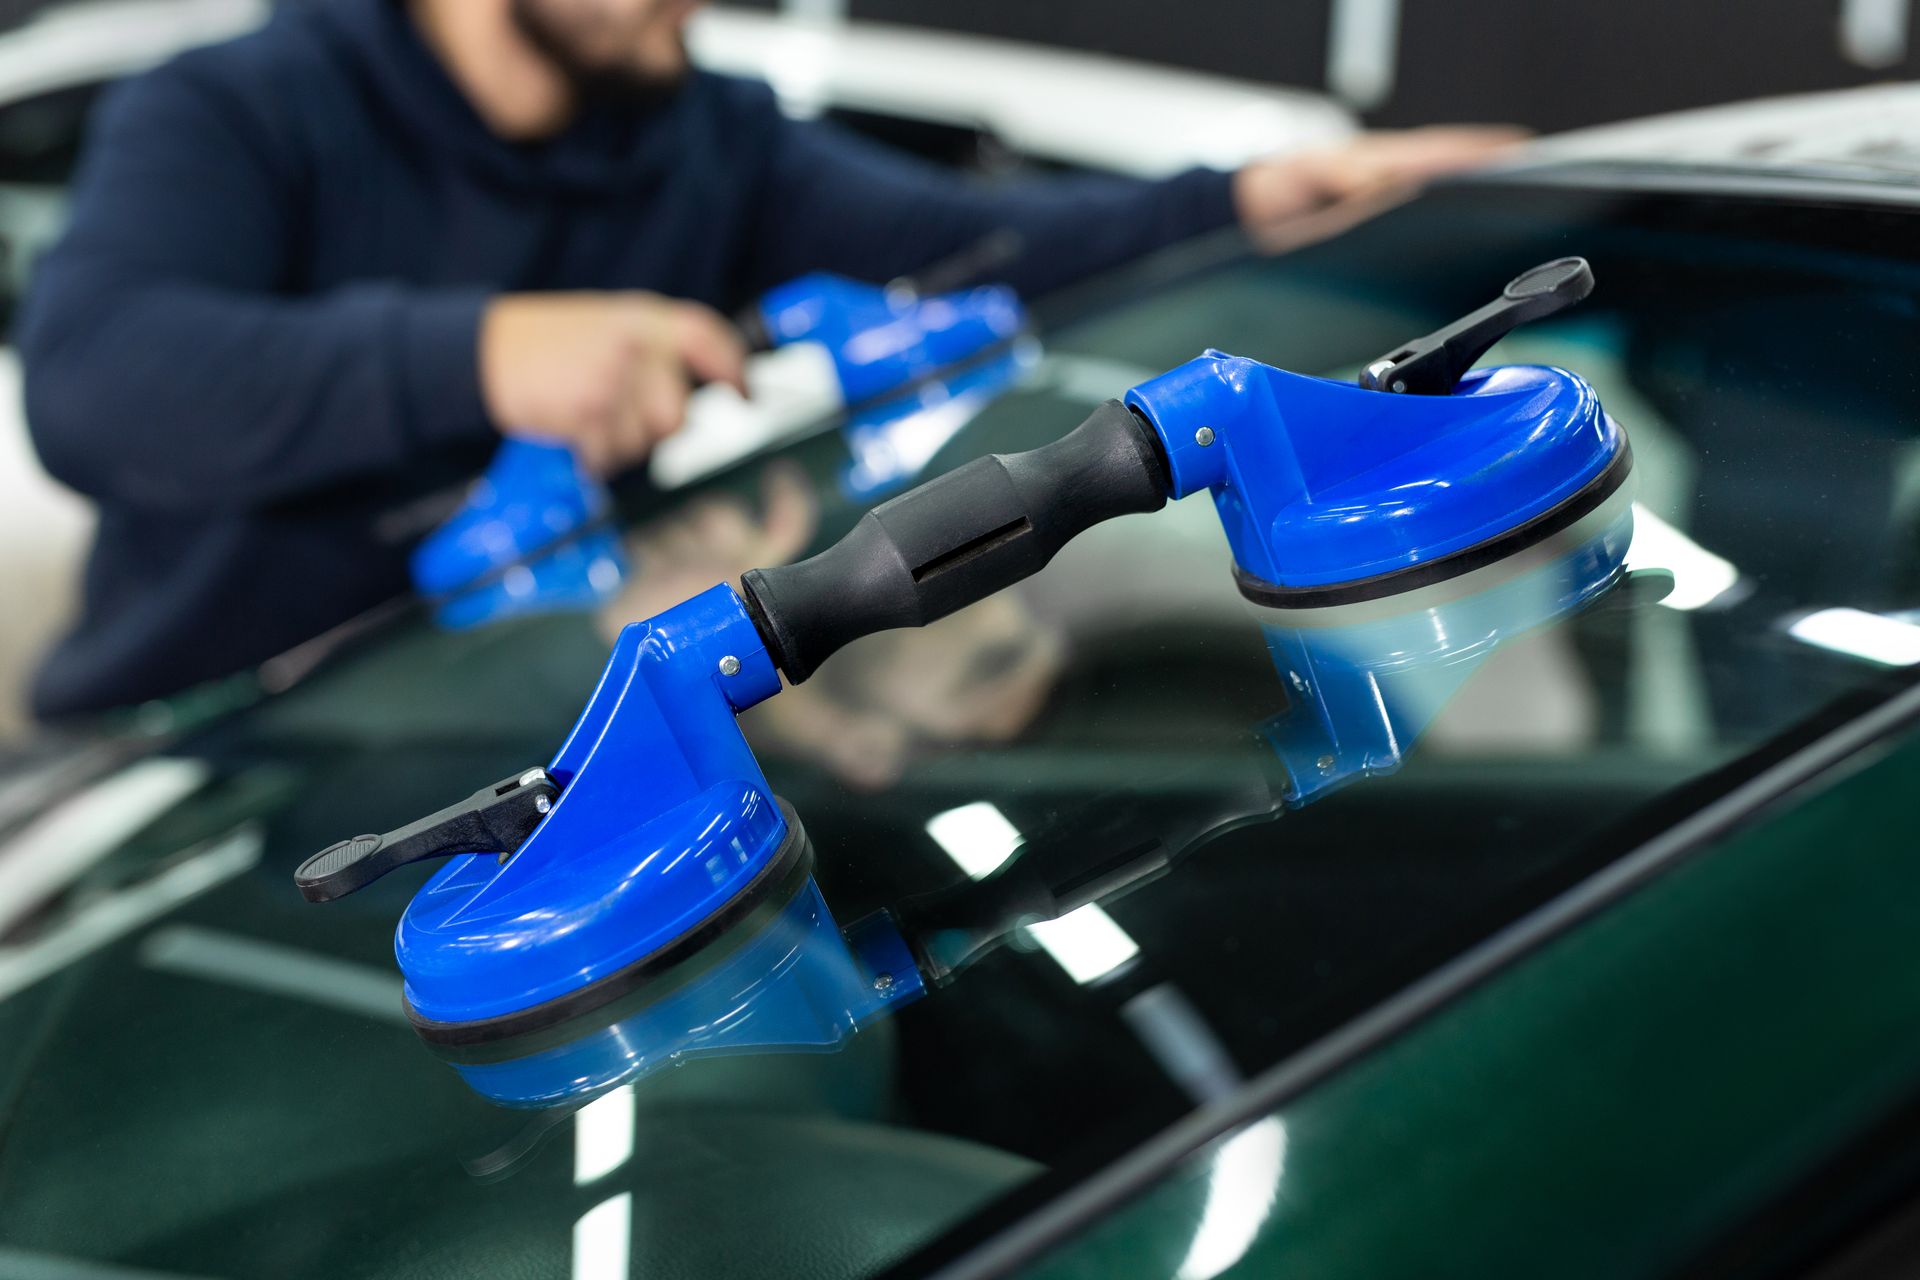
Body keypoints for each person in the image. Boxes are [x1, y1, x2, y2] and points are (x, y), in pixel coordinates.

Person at [18, 0, 1518, 717]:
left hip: (506, 724)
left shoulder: (697, 136)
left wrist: (1242, 201)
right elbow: (96, 380)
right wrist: (480, 357)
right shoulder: (238, 111)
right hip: (198, 757)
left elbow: (976, 247)